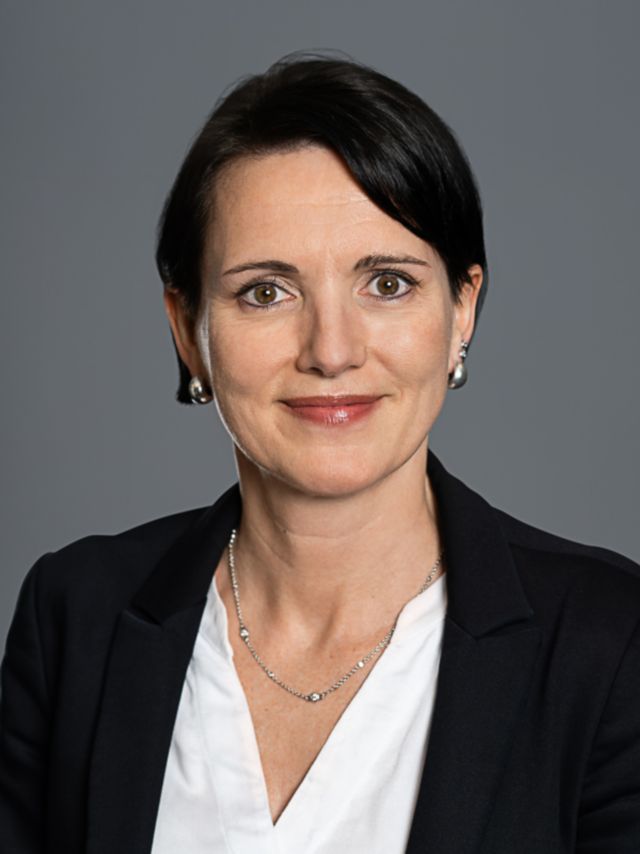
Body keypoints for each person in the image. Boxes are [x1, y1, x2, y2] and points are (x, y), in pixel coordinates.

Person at [1, 51, 639, 854]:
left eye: (388, 284)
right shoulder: (74, 617)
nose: (331, 351)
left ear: (462, 311)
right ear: (187, 331)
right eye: (266, 292)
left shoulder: (611, 642)